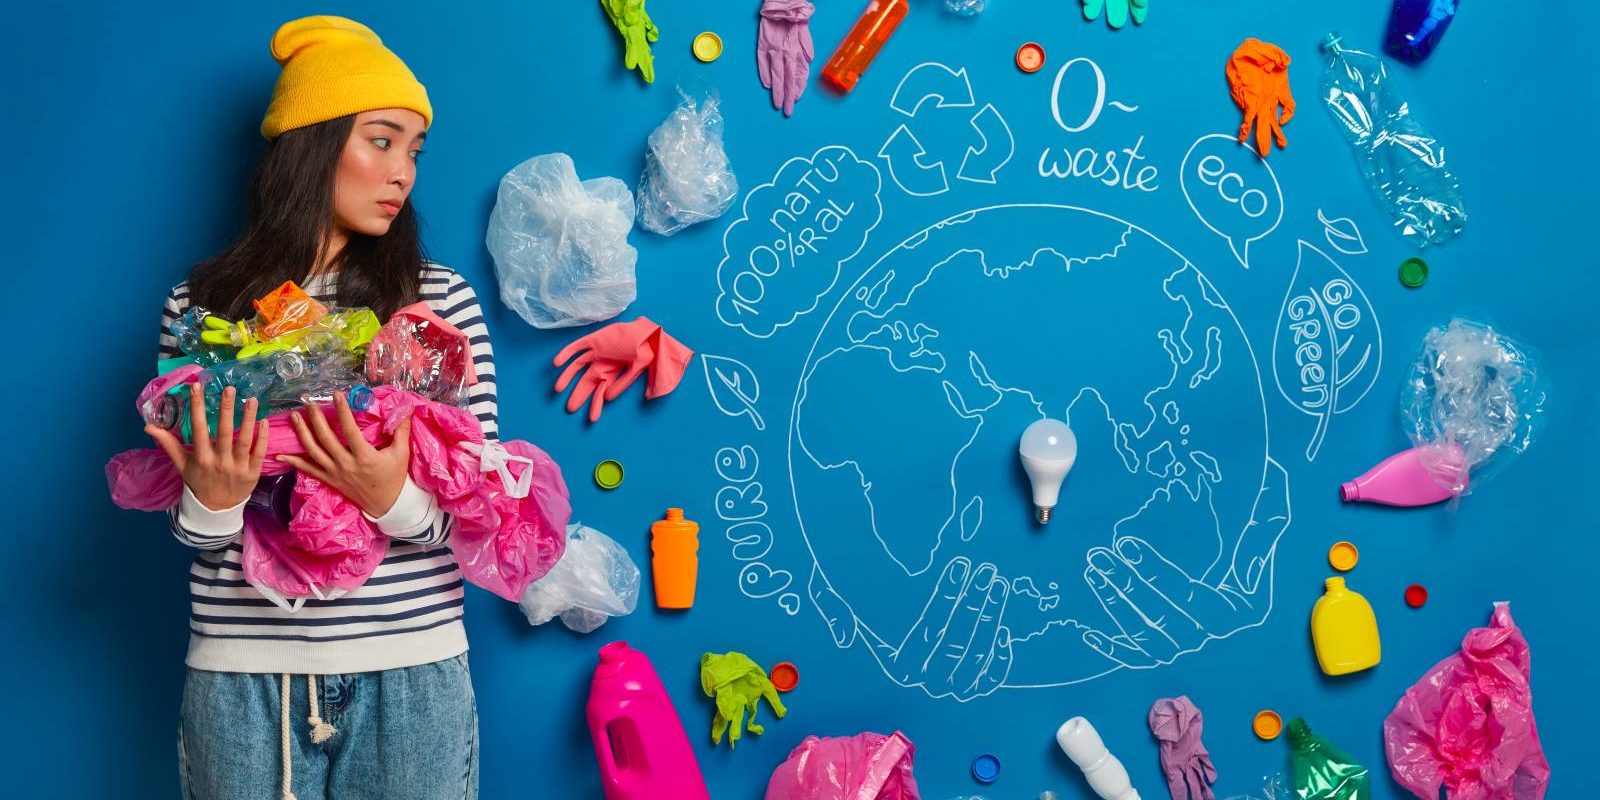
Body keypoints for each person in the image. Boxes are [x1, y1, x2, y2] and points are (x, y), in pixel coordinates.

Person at [144, 16, 493, 799]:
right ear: (312, 142)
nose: (402, 171)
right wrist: (216, 500)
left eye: (414, 149)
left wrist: (391, 498)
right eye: (380, 139)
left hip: (410, 670)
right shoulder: (203, 307)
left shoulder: (438, 304)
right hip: (243, 676)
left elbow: (480, 508)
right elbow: (193, 532)